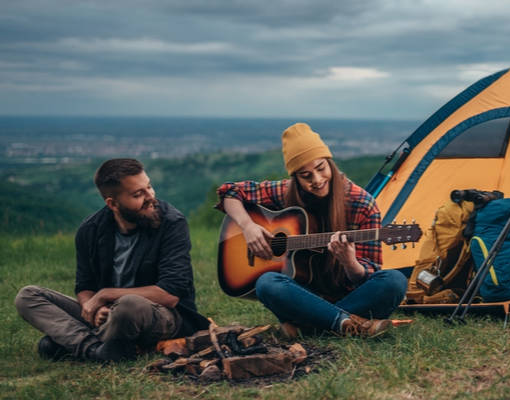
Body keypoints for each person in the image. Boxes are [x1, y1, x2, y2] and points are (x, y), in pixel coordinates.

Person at [216, 123, 407, 338]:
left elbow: (368, 274)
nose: (317, 180)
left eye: (321, 168)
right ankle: (346, 323)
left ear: (330, 163)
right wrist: (248, 226)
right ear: (296, 178)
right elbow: (229, 191)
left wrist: (349, 262)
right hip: (302, 294)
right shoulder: (286, 192)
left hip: (349, 296)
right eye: (306, 176)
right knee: (268, 283)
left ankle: (311, 325)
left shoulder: (362, 204)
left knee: (394, 281)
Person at [15, 158, 209, 363]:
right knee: (28, 296)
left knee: (129, 305)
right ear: (113, 203)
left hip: (163, 316)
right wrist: (95, 308)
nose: (150, 196)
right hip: (109, 316)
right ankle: (95, 349)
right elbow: (84, 286)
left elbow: (170, 295)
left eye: (149, 187)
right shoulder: (90, 229)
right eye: (138, 194)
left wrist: (106, 295)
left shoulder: (171, 223)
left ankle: (72, 343)